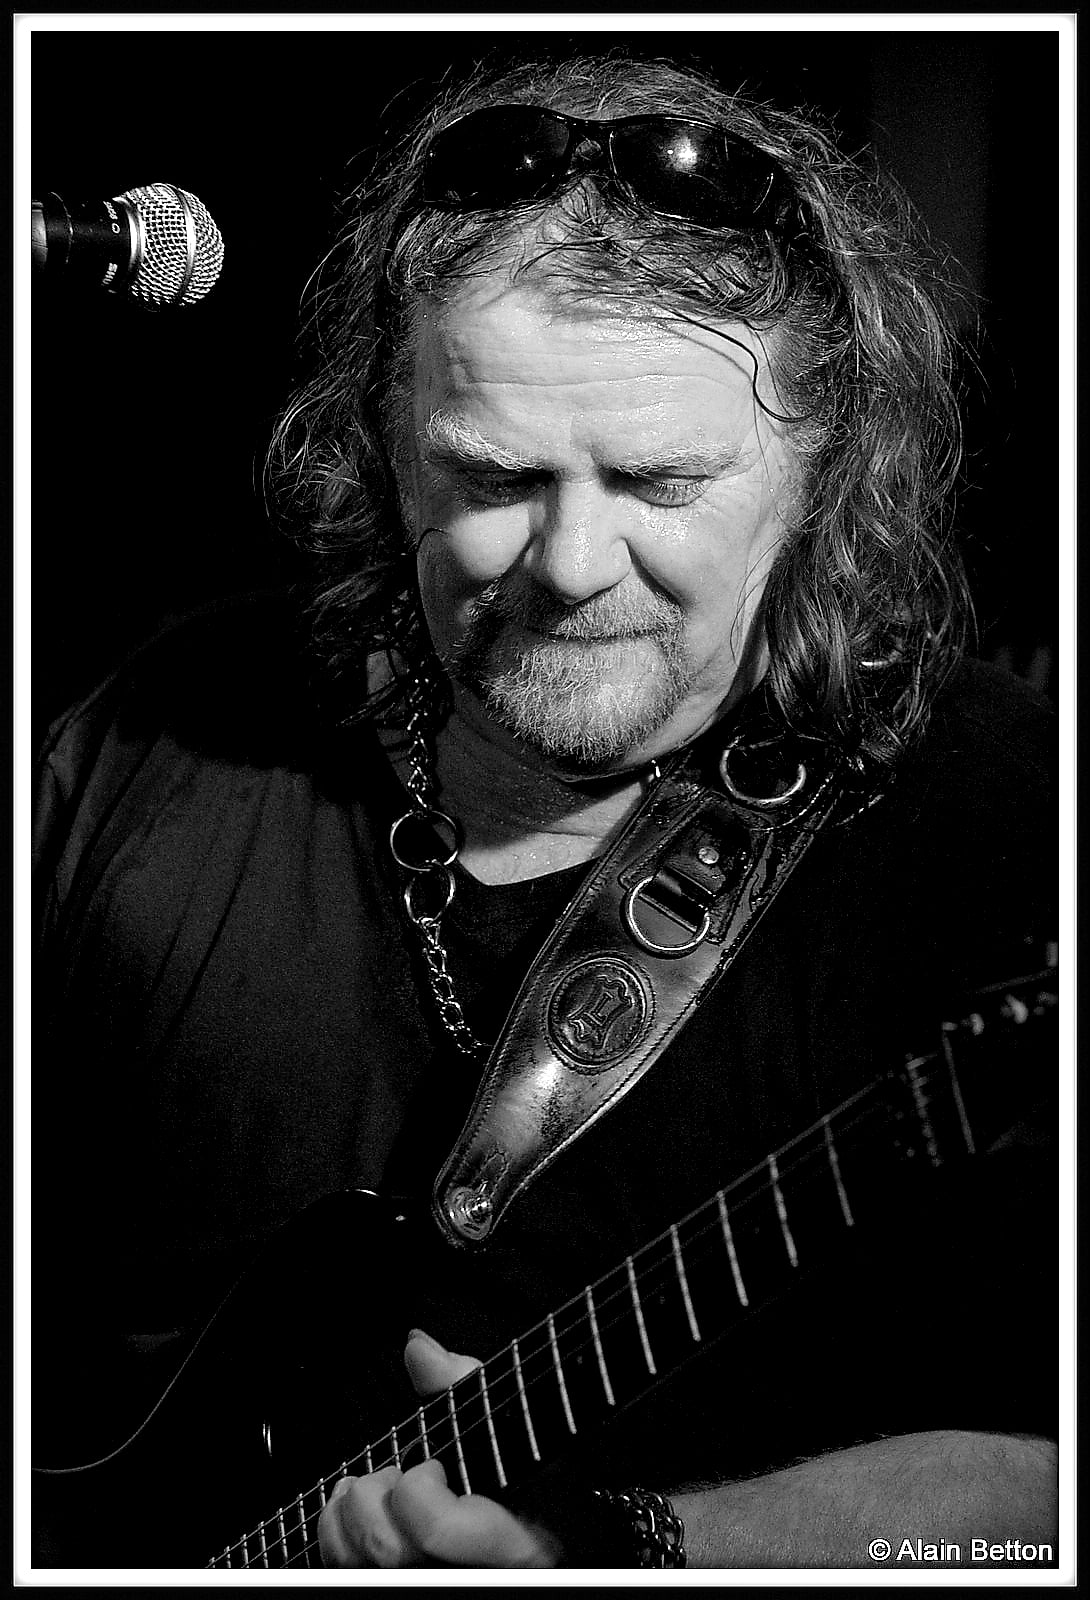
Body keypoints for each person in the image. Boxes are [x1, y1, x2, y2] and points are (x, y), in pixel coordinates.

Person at [34, 53, 1057, 1570]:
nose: (572, 562)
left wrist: (633, 1547)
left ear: (822, 474)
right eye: (493, 474)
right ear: (385, 449)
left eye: (658, 479)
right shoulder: (173, 725)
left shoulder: (1003, 817)